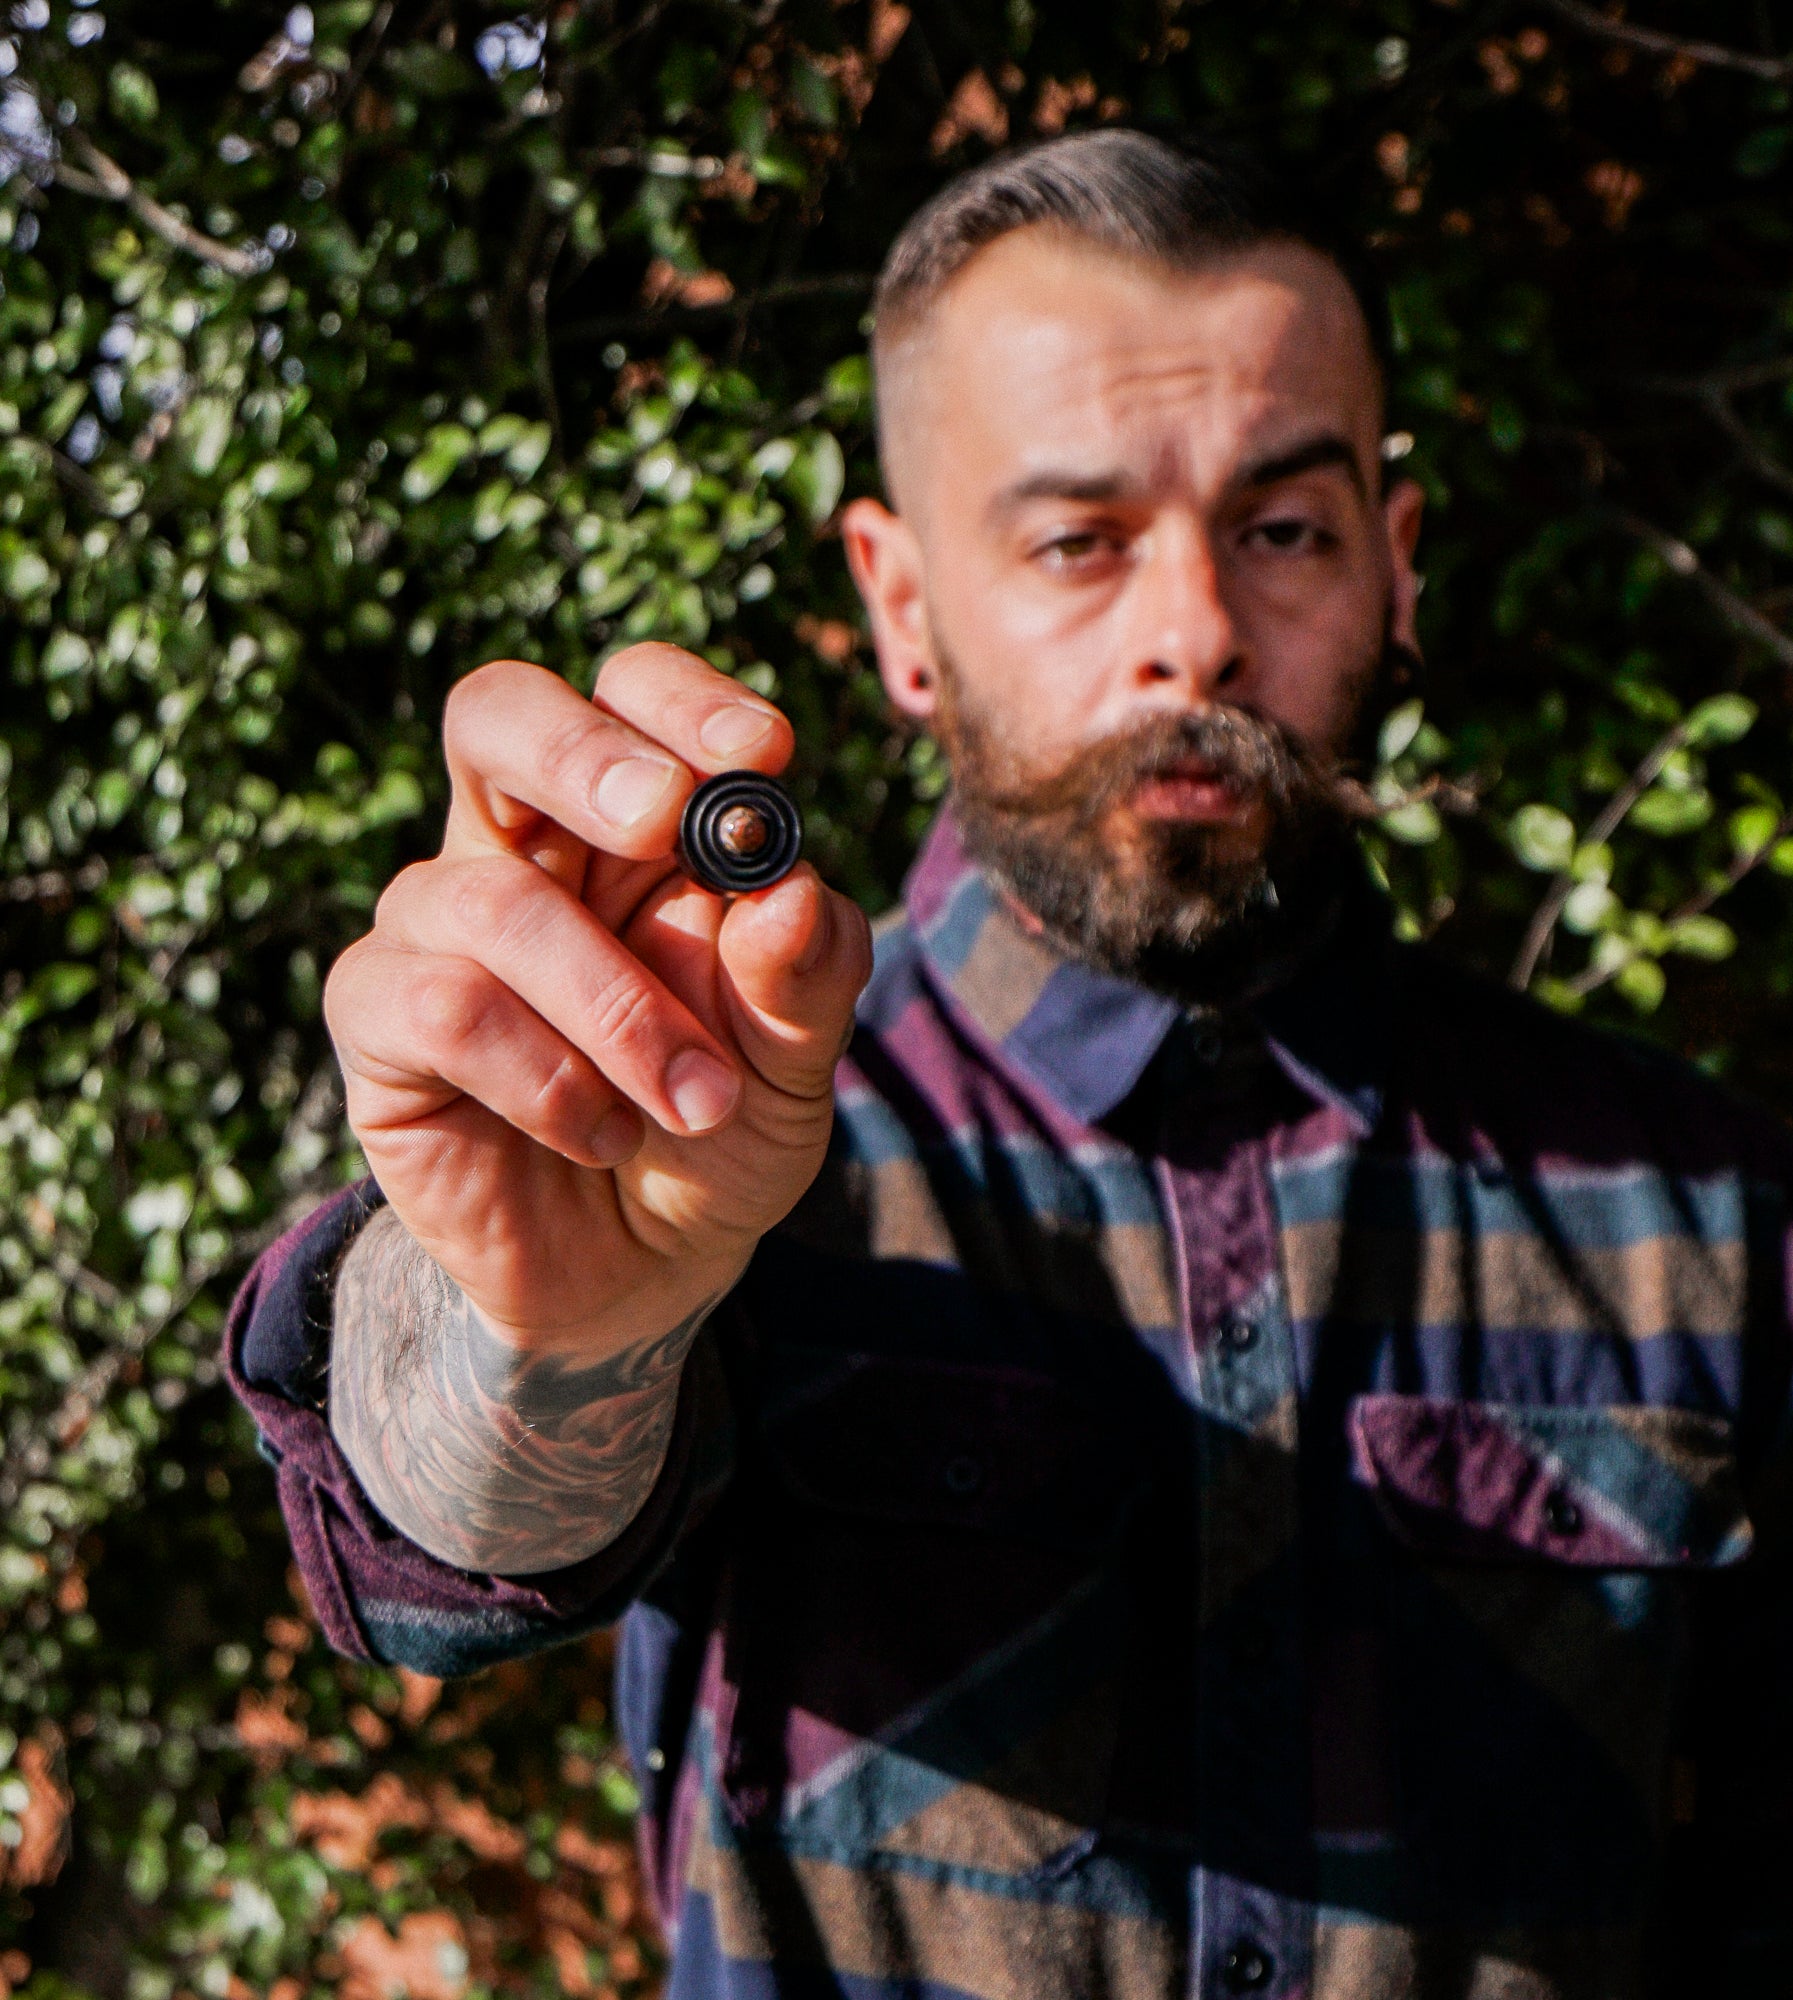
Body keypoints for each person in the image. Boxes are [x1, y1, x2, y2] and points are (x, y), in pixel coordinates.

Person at [226, 131, 1793, 2000]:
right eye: (1077, 541)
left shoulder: (1703, 1217)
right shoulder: (729, 1150)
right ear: (901, 609)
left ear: (1397, 561)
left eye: (1282, 528)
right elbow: (435, 1555)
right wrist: (533, 1335)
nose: (1192, 632)